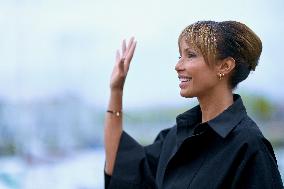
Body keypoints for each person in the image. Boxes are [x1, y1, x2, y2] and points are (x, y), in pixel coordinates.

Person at [103, 21, 283, 189]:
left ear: (225, 66)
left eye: (190, 55)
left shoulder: (248, 145)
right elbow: (121, 167)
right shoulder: (176, 137)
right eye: (180, 55)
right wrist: (116, 90)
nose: (177, 65)